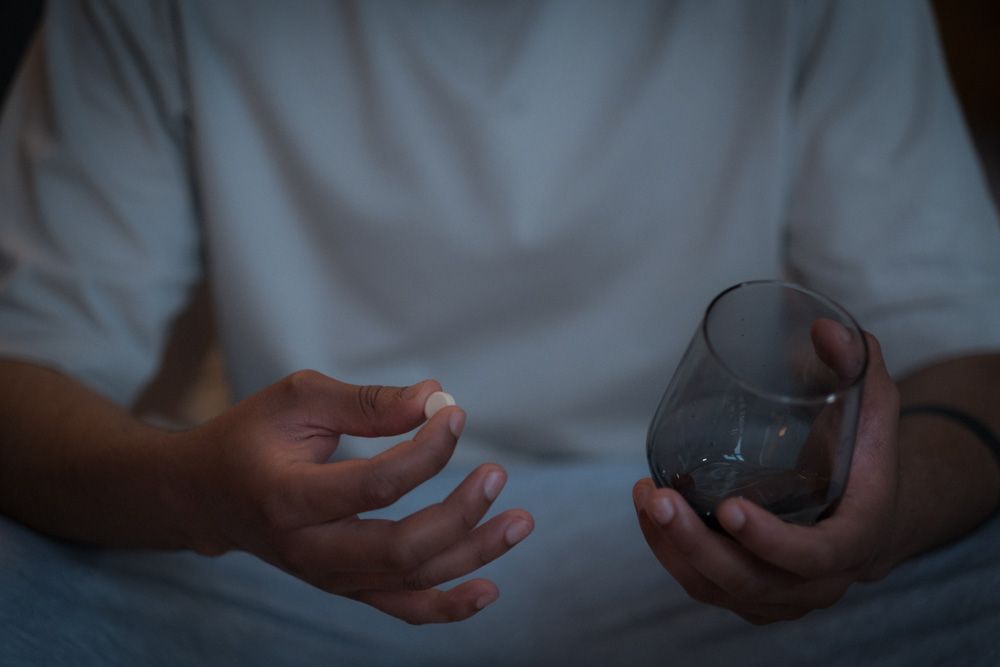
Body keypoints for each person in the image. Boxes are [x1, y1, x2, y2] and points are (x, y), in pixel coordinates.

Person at [1, 0, 999, 664]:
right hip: (291, 568)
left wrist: (891, 502)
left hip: (701, 555)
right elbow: (23, 368)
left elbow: (969, 353)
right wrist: (196, 493)